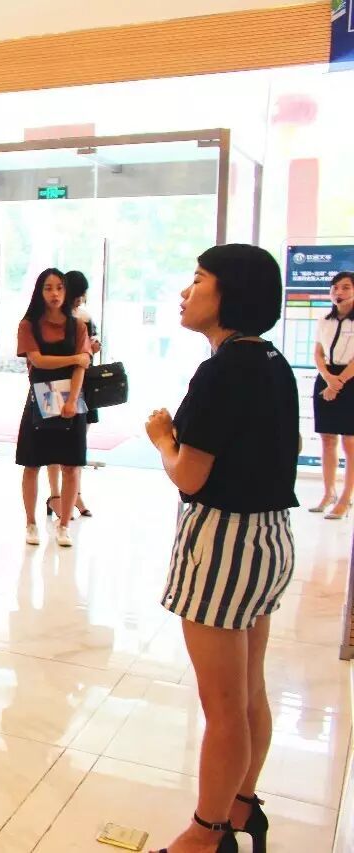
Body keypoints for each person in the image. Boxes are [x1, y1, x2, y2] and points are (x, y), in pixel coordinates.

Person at [144, 244, 296, 853]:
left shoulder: (222, 370)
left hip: (224, 544)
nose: (187, 291)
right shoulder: (273, 362)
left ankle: (205, 835)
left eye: (199, 279)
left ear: (228, 292)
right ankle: (241, 805)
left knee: (223, 706)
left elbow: (189, 474)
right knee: (249, 689)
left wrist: (162, 439)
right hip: (268, 538)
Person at [15, 268, 90, 548]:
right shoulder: (29, 325)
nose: (55, 293)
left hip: (72, 400)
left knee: (71, 465)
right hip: (40, 396)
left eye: (59, 287)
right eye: (48, 288)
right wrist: (74, 359)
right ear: (40, 292)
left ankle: (64, 524)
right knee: (32, 463)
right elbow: (38, 360)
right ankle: (31, 523)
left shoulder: (78, 326)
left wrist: (72, 400)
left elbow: (83, 366)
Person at [45, 269, 101, 520]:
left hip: (83, 384)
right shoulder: (50, 318)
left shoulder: (85, 318)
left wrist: (92, 349)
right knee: (52, 442)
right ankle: (55, 495)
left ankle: (75, 492)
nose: (81, 299)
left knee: (77, 444)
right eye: (79, 294)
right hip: (54, 384)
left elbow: (88, 351)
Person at [310, 270, 354, 519]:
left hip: (350, 378)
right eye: (335, 288)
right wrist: (328, 378)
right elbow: (318, 353)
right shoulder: (324, 320)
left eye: (346, 287)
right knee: (327, 439)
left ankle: (346, 498)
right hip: (326, 376)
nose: (339, 292)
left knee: (350, 442)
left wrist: (338, 384)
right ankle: (329, 493)